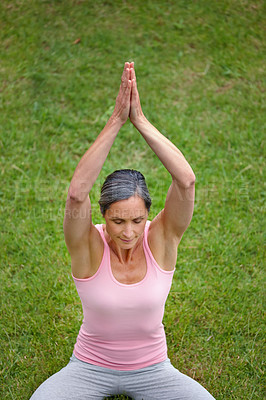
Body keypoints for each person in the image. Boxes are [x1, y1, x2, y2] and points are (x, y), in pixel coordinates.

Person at [30, 62, 215, 400]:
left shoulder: (161, 238)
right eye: (117, 221)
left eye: (137, 220)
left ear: (149, 215)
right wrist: (117, 119)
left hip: (155, 370)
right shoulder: (87, 244)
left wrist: (140, 120)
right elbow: (76, 193)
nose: (129, 232)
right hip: (87, 367)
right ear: (102, 217)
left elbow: (186, 181)